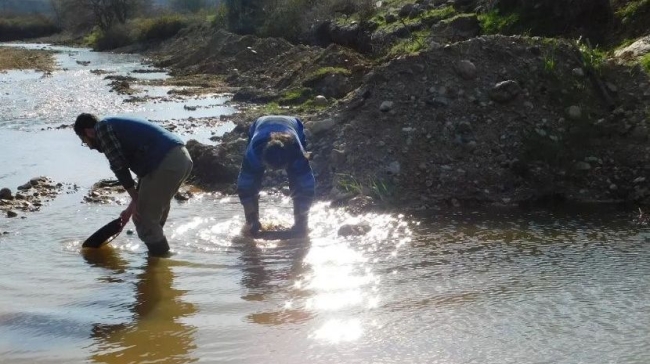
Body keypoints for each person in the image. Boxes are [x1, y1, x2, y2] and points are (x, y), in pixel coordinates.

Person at [74, 113, 193, 256]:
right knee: (150, 217)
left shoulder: (102, 129)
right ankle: (156, 255)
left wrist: (137, 200)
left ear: (87, 132)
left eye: (84, 141)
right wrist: (130, 209)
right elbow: (145, 179)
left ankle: (159, 269)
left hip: (165, 163)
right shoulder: (114, 125)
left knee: (144, 220)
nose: (89, 147)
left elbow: (118, 166)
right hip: (180, 159)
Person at [237, 115, 315, 237]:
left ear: (288, 160)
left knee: (298, 181)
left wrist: (302, 218)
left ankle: (300, 221)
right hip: (259, 124)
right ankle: (252, 222)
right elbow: (244, 186)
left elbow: (307, 186)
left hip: (293, 124)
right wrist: (251, 215)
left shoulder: (296, 153)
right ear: (263, 158)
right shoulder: (254, 153)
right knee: (252, 182)